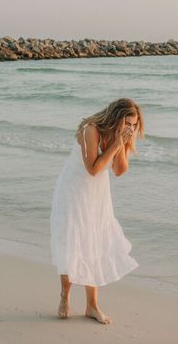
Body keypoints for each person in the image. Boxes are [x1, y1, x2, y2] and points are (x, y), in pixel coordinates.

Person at [51, 98, 144, 324]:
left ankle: (92, 306)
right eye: (127, 123)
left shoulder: (119, 135)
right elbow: (93, 169)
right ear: (115, 118)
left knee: (94, 242)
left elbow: (119, 170)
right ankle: (65, 295)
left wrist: (121, 144)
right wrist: (115, 144)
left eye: (134, 125)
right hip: (74, 190)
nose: (130, 128)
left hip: (97, 194)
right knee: (72, 242)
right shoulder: (90, 129)